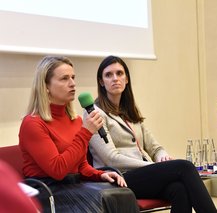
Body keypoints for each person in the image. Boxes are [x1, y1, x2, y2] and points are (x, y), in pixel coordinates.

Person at [84, 55, 217, 213]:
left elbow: (155, 147)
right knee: (184, 167)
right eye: (108, 75)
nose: (115, 78)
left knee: (179, 188)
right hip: (118, 177)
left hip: (141, 175)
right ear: (101, 82)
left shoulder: (129, 111)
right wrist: (155, 166)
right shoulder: (94, 113)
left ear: (127, 79)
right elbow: (111, 158)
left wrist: (162, 156)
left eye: (119, 73)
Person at [19, 56, 140, 213]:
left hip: (74, 184)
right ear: (46, 86)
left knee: (123, 193)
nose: (72, 83)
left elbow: (81, 166)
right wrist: (86, 132)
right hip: (47, 190)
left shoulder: (75, 120)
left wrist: (100, 175)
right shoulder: (32, 123)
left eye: (73, 77)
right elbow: (58, 170)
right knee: (103, 197)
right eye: (64, 79)